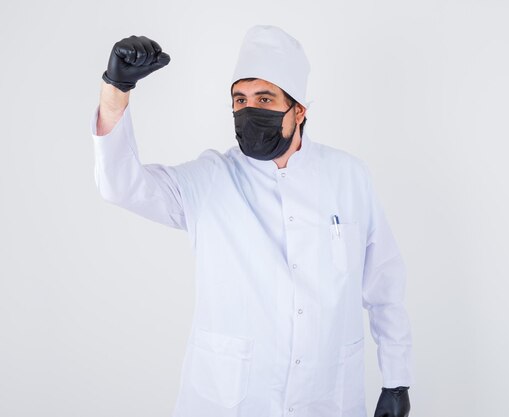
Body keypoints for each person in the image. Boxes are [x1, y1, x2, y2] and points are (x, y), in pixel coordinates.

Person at [91, 25, 414, 417]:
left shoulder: (349, 177)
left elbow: (384, 285)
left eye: (264, 97)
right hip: (230, 401)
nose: (249, 111)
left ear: (299, 109)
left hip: (328, 396)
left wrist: (396, 380)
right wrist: (115, 92)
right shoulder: (210, 179)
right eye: (240, 100)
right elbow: (121, 186)